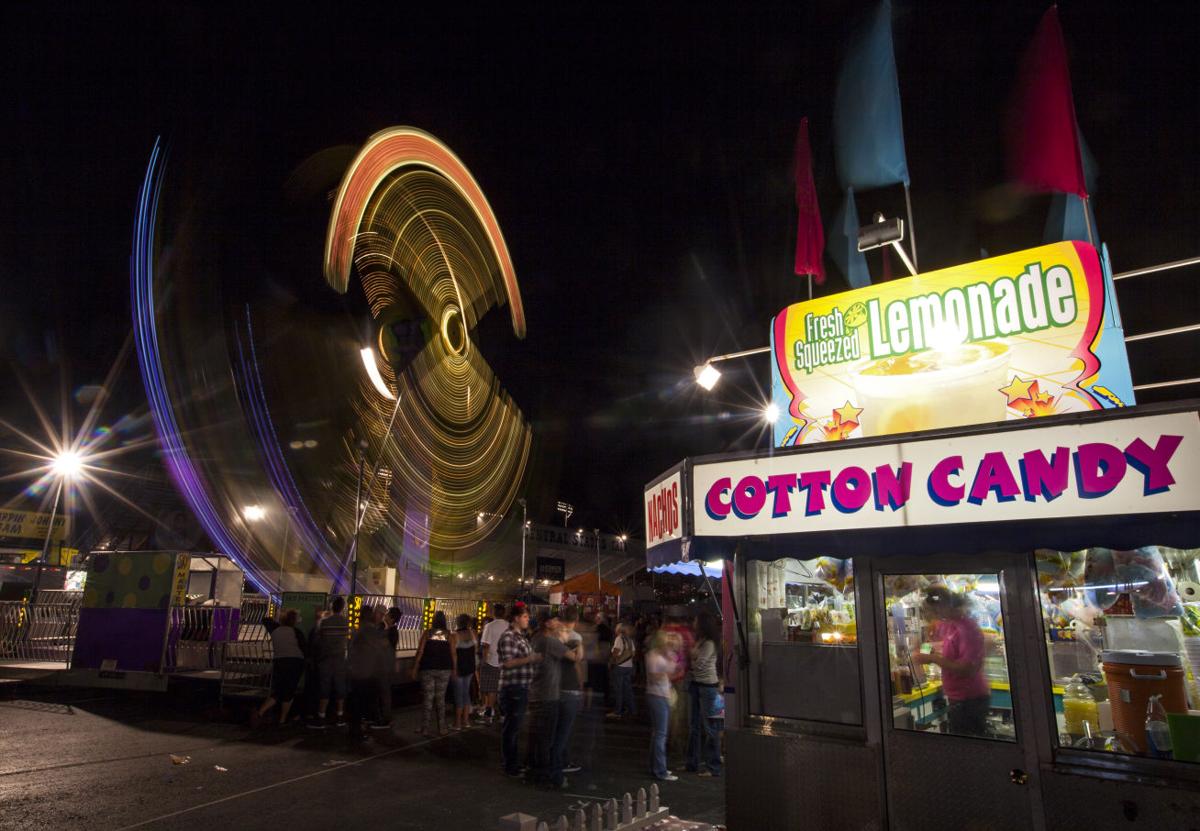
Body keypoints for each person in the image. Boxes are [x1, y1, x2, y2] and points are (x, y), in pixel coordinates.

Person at [913, 585, 990, 737]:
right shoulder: (948, 624)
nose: (935, 615)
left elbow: (967, 669)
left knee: (968, 748)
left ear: (945, 606)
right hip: (957, 698)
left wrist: (932, 658)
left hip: (970, 700)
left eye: (935, 610)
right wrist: (923, 650)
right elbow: (933, 641)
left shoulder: (968, 629)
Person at [528, 613, 582, 788]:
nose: (559, 623)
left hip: (539, 691)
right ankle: (547, 777)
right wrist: (578, 643)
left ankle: (537, 772)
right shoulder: (550, 642)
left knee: (540, 737)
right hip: (548, 694)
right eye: (555, 621)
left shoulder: (536, 638)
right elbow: (575, 657)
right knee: (548, 739)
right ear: (547, 623)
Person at [498, 605, 540, 777]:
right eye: (524, 616)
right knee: (512, 728)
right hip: (513, 687)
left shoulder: (521, 637)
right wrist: (531, 658)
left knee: (515, 728)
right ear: (515, 618)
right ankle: (510, 765)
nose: (527, 619)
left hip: (521, 686)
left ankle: (513, 763)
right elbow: (507, 663)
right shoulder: (509, 637)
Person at [253, 608, 307, 727]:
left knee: (279, 690)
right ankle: (282, 719)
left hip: (279, 661)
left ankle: (261, 712)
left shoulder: (275, 629)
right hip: (295, 662)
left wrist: (279, 616)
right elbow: (304, 648)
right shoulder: (296, 632)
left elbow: (266, 619)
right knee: (289, 691)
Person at [685, 612, 723, 776]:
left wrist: (692, 657)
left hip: (708, 687)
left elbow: (698, 664)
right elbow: (693, 659)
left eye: (695, 620)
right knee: (693, 727)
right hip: (696, 685)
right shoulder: (700, 641)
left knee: (709, 728)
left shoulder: (709, 643)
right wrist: (692, 657)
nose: (693, 623)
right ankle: (691, 763)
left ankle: (713, 767)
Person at [551, 608, 586, 780]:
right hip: (569, 687)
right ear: (576, 620)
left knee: (557, 728)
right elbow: (578, 658)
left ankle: (562, 761)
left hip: (554, 686)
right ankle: (556, 765)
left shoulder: (552, 636)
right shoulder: (575, 637)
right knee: (563, 731)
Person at [348, 606, 390, 739]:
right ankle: (358, 731)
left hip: (355, 670)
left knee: (356, 703)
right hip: (365, 672)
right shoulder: (369, 630)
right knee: (361, 703)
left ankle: (356, 729)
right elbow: (379, 648)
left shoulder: (358, 629)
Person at [412, 610, 455, 736]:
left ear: (433, 620)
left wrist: (415, 667)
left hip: (428, 669)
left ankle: (425, 728)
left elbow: (420, 651)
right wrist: (455, 669)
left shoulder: (428, 633)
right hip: (444, 670)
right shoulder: (449, 635)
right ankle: (442, 728)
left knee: (428, 699)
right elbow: (453, 654)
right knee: (440, 699)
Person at [309, 597, 349, 729]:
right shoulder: (345, 622)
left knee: (324, 688)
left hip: (326, 659)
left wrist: (319, 619)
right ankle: (340, 716)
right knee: (340, 688)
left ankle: (321, 716)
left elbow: (316, 639)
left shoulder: (325, 623)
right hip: (340, 659)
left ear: (332, 607)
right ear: (342, 608)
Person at [645, 629, 680, 781]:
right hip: (657, 696)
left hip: (662, 695)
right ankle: (660, 770)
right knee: (660, 734)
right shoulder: (653, 656)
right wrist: (666, 671)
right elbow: (653, 677)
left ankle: (655, 767)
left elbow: (670, 674)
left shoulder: (663, 655)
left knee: (658, 733)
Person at [479, 603, 507, 723]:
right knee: (502, 690)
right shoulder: (509, 626)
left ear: (493, 612)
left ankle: (489, 715)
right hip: (506, 662)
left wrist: (483, 662)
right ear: (504, 613)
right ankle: (503, 715)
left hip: (492, 661)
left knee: (491, 690)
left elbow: (486, 645)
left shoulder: (489, 626)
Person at [452, 613, 478, 730]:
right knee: (466, 693)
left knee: (459, 695)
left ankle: (457, 723)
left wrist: (454, 669)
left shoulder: (455, 636)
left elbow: (453, 655)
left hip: (459, 668)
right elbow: (476, 651)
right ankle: (466, 721)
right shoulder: (473, 634)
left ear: (458, 622)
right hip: (470, 667)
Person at [607, 620, 637, 720]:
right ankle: (632, 709)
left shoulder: (619, 639)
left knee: (618, 690)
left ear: (619, 629)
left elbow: (615, 652)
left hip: (620, 667)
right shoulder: (629, 639)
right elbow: (633, 652)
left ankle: (617, 711)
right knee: (628, 689)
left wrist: (612, 661)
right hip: (629, 666)